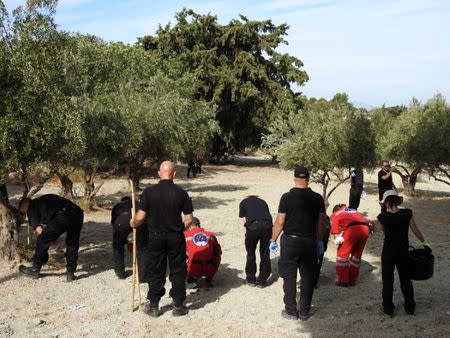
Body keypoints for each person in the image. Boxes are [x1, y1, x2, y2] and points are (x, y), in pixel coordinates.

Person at [130, 161, 194, 318]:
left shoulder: (149, 192)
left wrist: (133, 223)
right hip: (175, 237)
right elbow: (189, 219)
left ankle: (153, 306)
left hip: (156, 237)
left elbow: (141, 217)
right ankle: (178, 305)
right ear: (174, 174)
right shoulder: (181, 193)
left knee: (156, 270)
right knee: (178, 269)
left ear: (159, 173)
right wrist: (180, 229)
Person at [270, 165, 325, 321]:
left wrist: (273, 240)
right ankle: (305, 311)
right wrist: (319, 241)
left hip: (290, 242)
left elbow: (280, 221)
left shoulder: (286, 197)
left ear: (294, 178)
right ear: (308, 179)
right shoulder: (317, 198)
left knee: (289, 276)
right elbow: (321, 223)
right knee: (308, 276)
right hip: (309, 241)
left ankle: (291, 311)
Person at [377, 190, 432, 317]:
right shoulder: (407, 213)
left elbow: (384, 232)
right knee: (405, 279)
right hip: (403, 252)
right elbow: (416, 230)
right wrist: (425, 242)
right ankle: (410, 308)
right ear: (396, 200)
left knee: (387, 281)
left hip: (388, 252)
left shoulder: (382, 217)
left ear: (386, 202)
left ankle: (388, 309)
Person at [17, 194, 84, 282]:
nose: (25, 215)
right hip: (77, 213)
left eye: (22, 212)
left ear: (24, 205)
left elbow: (40, 231)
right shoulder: (42, 201)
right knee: (72, 243)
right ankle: (70, 273)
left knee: (42, 239)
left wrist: (51, 241)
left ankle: (35, 269)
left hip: (63, 216)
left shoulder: (31, 207)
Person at [331, 204, 371, 287]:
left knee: (342, 255)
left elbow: (335, 230)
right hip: (365, 229)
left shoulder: (336, 213)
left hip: (353, 230)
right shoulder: (352, 210)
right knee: (356, 255)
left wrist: (336, 238)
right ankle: (352, 280)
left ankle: (343, 281)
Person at [110, 196, 148, 280]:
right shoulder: (137, 203)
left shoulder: (117, 206)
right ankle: (142, 276)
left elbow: (114, 225)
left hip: (122, 221)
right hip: (139, 221)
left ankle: (120, 273)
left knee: (117, 246)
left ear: (121, 201)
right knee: (142, 248)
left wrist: (122, 240)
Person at [239, 195, 273, 287]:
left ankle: (251, 279)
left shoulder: (243, 202)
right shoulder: (262, 201)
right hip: (267, 226)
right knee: (265, 253)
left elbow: (243, 218)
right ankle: (262, 280)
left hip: (253, 227)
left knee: (250, 253)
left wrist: (248, 230)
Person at [184, 217, 222, 288]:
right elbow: (219, 252)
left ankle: (191, 279)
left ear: (190, 225)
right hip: (209, 268)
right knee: (216, 254)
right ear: (199, 225)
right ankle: (209, 278)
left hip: (193, 269)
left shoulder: (185, 236)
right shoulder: (210, 235)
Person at [314, 215, 330, 288]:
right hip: (320, 244)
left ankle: (310, 281)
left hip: (312, 243)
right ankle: (314, 282)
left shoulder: (309, 215)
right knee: (318, 263)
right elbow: (326, 233)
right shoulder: (326, 219)